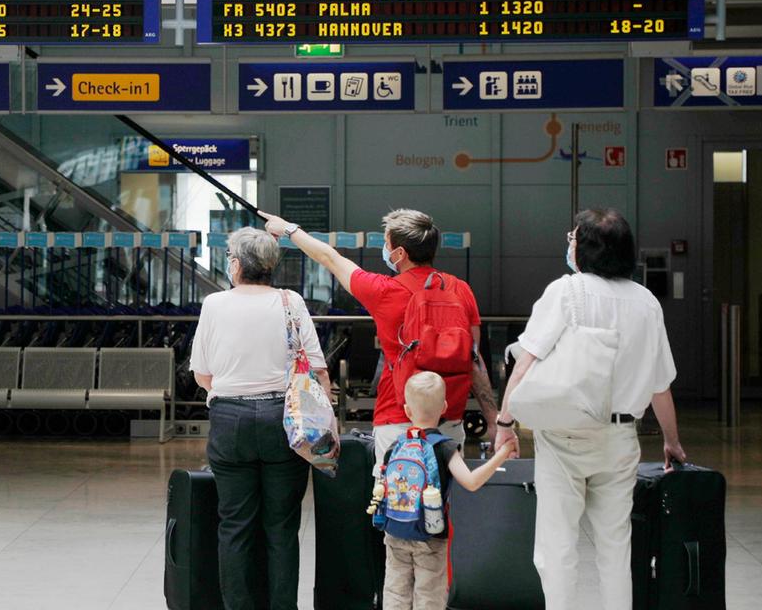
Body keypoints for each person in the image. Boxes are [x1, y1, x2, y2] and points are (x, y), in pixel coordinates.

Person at [496, 208, 687, 610]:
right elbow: (660, 386)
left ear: (586, 248)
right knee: (615, 547)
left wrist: (505, 421)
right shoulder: (647, 302)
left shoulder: (567, 291)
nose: (569, 245)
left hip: (564, 435)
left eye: (573, 239)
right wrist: (672, 442)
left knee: (557, 546)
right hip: (619, 439)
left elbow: (526, 360)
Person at [260, 209, 499, 471]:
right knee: (442, 502)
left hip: (397, 419)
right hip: (449, 419)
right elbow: (474, 361)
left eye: (386, 244)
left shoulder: (384, 290)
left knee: (394, 504)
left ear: (399, 254)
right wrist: (493, 421)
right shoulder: (460, 289)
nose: (384, 250)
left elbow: (329, 258)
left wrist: (288, 229)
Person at [191, 227, 330, 610]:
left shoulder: (214, 304)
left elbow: (203, 375)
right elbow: (318, 370)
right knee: (282, 527)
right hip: (284, 421)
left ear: (236, 264)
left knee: (234, 525)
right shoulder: (291, 302)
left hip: (230, 420)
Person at [382, 372, 517, 610]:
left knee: (395, 593)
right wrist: (502, 454)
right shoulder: (445, 447)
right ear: (444, 407)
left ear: (407, 410)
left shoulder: (396, 446)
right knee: (429, 596)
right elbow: (472, 482)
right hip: (430, 535)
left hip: (395, 532)